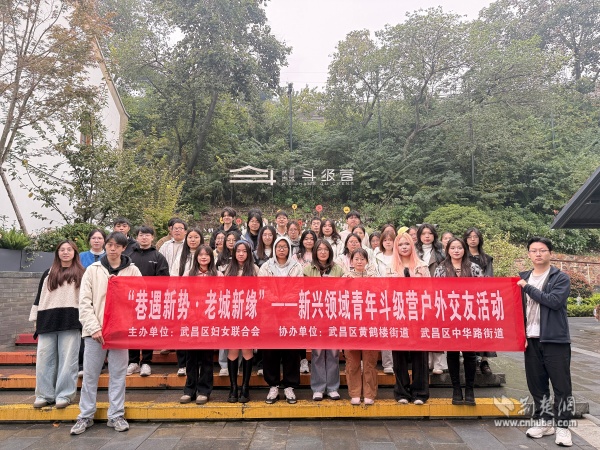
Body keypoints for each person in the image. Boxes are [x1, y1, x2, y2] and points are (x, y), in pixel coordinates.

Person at [71, 232, 142, 435]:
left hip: (120, 332)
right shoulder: (93, 270)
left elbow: (140, 298)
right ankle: (85, 415)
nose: (112, 248)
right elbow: (84, 302)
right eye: (109, 244)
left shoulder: (133, 271)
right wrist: (93, 328)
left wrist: (126, 324)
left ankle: (116, 415)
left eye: (117, 246)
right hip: (95, 333)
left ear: (123, 248)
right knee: (90, 375)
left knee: (118, 375)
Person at [518, 237, 574, 447]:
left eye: (542, 250)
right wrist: (518, 336)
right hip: (530, 339)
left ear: (550, 253)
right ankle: (544, 421)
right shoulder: (522, 277)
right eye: (534, 250)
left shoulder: (560, 278)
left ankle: (563, 427)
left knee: (561, 386)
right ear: (529, 254)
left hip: (555, 339)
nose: (538, 254)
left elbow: (554, 301)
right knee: (537, 385)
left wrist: (527, 287)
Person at [29, 240, 85, 409]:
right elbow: (39, 297)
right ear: (57, 253)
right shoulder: (48, 273)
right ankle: (44, 395)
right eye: (62, 249)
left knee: (68, 361)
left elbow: (86, 299)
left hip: (71, 320)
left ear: (74, 253)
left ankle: (64, 395)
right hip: (47, 319)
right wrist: (35, 319)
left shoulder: (82, 273)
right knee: (44, 359)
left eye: (69, 249)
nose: (65, 252)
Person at [434, 237, 483, 406]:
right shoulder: (441, 269)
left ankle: (469, 389)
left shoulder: (474, 268)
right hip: (449, 316)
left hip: (469, 316)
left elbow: (482, 291)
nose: (456, 251)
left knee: (470, 354)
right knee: (453, 353)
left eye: (459, 248)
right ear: (447, 250)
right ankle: (456, 389)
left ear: (464, 250)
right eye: (453, 248)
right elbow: (436, 293)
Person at [259, 236, 304, 404]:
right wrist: (275, 302)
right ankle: (273, 385)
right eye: (279, 247)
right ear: (274, 249)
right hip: (270, 314)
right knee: (270, 350)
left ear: (289, 249)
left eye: (285, 246)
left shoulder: (296, 266)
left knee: (291, 350)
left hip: (290, 313)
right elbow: (262, 287)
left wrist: (285, 302)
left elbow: (298, 288)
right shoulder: (266, 266)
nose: (282, 249)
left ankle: (290, 386)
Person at [389, 233, 430, 405]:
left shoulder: (422, 266)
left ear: (412, 246)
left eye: (407, 244)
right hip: (398, 315)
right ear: (396, 248)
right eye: (400, 244)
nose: (404, 247)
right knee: (399, 354)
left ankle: (420, 392)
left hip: (418, 315)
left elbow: (429, 290)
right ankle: (402, 392)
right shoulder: (390, 268)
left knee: (420, 353)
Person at [180, 245, 221, 405]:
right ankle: (189, 389)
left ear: (211, 257)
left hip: (209, 321)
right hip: (191, 320)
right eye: (200, 255)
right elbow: (182, 295)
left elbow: (221, 296)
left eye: (207, 255)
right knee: (191, 357)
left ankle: (204, 390)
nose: (203, 257)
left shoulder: (218, 275)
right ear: (196, 257)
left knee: (206, 357)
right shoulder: (188, 274)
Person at [127, 226, 170, 377]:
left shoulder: (158, 256)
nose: (144, 238)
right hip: (132, 300)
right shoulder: (129, 256)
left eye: (147, 235)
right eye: (141, 235)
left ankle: (146, 362)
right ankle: (133, 361)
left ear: (152, 238)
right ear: (137, 237)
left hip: (151, 300)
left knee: (148, 330)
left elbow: (164, 279)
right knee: (132, 330)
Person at [304, 239, 344, 401]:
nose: (322, 252)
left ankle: (333, 387)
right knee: (318, 352)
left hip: (334, 315)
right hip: (316, 316)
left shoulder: (338, 269)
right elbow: (304, 292)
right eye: (319, 249)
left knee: (333, 353)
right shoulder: (308, 269)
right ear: (315, 252)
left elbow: (344, 291)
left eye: (325, 249)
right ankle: (318, 388)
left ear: (330, 252)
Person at [343, 248, 379, 405]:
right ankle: (355, 393)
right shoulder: (345, 278)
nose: (359, 261)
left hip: (370, 323)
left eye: (362, 259)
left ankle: (370, 393)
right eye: (356, 259)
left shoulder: (374, 278)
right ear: (351, 261)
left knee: (370, 360)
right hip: (351, 324)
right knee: (352, 360)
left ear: (367, 261)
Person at [224, 240, 259, 403]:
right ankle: (233, 387)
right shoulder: (228, 269)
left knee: (246, 350)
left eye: (244, 251)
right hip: (232, 315)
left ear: (249, 253)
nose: (241, 254)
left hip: (249, 315)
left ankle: (245, 387)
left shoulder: (255, 269)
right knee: (232, 350)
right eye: (238, 251)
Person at [464, 227, 496, 375]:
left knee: (483, 329)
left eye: (475, 237)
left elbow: (489, 277)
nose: (472, 239)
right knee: (470, 329)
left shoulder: (486, 258)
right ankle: (473, 359)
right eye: (470, 237)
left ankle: (484, 360)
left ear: (479, 239)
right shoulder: (462, 257)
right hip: (466, 298)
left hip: (482, 297)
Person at [158, 219, 189, 375]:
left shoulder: (188, 247)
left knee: (184, 324)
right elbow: (161, 264)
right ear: (170, 230)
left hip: (189, 291)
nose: (177, 230)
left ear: (185, 231)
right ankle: (170, 344)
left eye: (180, 228)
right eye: (175, 228)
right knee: (172, 319)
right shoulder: (165, 246)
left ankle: (186, 362)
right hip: (170, 286)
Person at [78, 228, 106, 377]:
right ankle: (82, 364)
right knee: (87, 331)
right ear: (89, 240)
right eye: (94, 238)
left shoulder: (109, 257)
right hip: (85, 297)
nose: (96, 240)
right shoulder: (81, 256)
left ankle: (101, 364)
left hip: (103, 300)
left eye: (100, 238)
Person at [294, 230, 318, 375]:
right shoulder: (296, 256)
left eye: (311, 238)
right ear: (302, 240)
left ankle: (316, 359)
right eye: (306, 238)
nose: (309, 241)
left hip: (316, 296)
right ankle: (303, 359)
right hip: (300, 296)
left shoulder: (319, 254)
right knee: (301, 329)